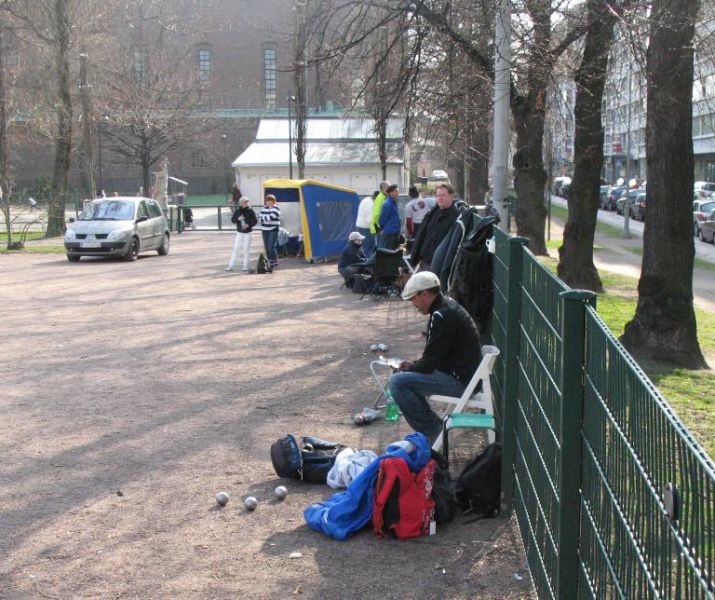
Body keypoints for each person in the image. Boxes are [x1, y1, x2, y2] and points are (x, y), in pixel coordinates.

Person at [387, 271, 482, 444]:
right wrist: (413, 365)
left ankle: (433, 431)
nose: (413, 305)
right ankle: (433, 427)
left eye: (413, 299)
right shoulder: (447, 306)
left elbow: (429, 363)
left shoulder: (441, 315)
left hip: (461, 382)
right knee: (404, 379)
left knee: (397, 383)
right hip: (465, 376)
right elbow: (433, 358)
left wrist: (411, 367)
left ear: (425, 294)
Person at [410, 183, 460, 272]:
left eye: (443, 195)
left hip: (441, 266)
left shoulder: (456, 217)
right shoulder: (432, 213)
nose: (439, 198)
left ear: (451, 196)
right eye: (438, 195)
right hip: (424, 263)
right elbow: (421, 236)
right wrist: (414, 258)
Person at [226, 196, 258, 272]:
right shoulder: (237, 211)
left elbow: (255, 221)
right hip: (239, 233)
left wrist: (249, 225)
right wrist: (238, 219)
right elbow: (233, 220)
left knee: (246, 249)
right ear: (241, 203)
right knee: (236, 249)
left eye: (247, 202)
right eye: (245, 202)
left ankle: (245, 266)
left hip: (248, 233)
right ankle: (231, 266)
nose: (246, 203)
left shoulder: (250, 210)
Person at [259, 194, 281, 269]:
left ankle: (275, 261)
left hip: (273, 229)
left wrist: (264, 218)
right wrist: (266, 218)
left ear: (273, 201)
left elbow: (271, 218)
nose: (268, 202)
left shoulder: (276, 208)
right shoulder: (263, 209)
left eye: (270, 201)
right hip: (264, 230)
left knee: (271, 246)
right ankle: (270, 261)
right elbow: (259, 219)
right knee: (266, 247)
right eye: (267, 201)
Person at [378, 184, 401, 250]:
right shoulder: (387, 204)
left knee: (392, 253)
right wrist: (382, 229)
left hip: (394, 233)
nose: (398, 193)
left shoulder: (393, 203)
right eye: (396, 191)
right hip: (389, 234)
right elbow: (382, 219)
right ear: (391, 193)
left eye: (398, 191)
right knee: (388, 253)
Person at [370, 181, 390, 249]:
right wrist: (378, 230)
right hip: (380, 229)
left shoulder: (384, 197)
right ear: (385, 188)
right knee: (381, 249)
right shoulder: (380, 198)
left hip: (383, 229)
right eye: (389, 187)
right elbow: (376, 215)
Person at [355, 191, 376, 257]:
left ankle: (366, 263)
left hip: (361, 226)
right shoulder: (370, 204)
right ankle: (367, 265)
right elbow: (370, 221)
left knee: (365, 248)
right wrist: (378, 230)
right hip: (366, 228)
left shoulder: (366, 199)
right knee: (367, 249)